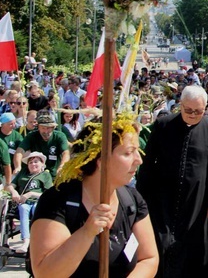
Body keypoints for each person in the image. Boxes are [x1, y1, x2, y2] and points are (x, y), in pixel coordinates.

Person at [30, 115, 158, 277]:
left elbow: (149, 258)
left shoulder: (132, 200)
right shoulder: (57, 201)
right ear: (101, 159)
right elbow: (46, 273)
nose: (139, 160)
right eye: (128, 153)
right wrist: (86, 232)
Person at [137, 85, 208, 277]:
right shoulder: (163, 125)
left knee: (190, 246)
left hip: (196, 199)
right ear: (180, 105)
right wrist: (141, 195)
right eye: (189, 110)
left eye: (199, 111)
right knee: (162, 241)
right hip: (164, 196)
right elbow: (148, 161)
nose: (193, 115)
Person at [5, 151, 52, 252]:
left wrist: (31, 194)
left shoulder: (45, 175)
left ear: (42, 164)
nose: (33, 164)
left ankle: (37, 242)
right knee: (23, 208)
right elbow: (10, 186)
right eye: (30, 162)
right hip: (24, 203)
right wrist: (14, 192)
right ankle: (26, 242)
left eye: (36, 162)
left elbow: (49, 194)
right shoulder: (23, 173)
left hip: (39, 202)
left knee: (37, 210)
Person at [14, 110, 70, 177]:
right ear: (38, 127)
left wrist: (61, 166)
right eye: (43, 128)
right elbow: (19, 151)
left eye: (48, 128)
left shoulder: (59, 136)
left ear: (53, 128)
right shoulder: (32, 136)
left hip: (55, 174)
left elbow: (66, 153)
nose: (46, 131)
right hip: (36, 175)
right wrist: (18, 167)